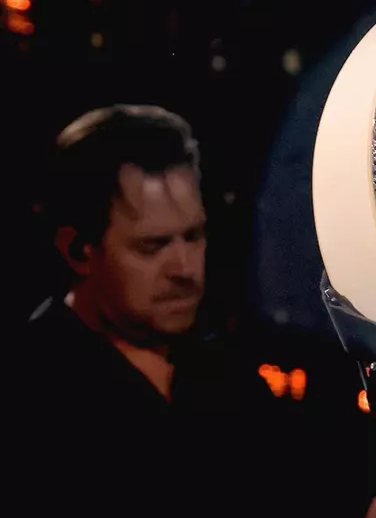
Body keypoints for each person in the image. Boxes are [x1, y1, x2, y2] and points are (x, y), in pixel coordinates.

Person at [3, 104, 274, 517]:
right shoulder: (26, 399)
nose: (185, 269)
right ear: (78, 250)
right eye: (153, 246)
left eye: (193, 236)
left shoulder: (229, 378)